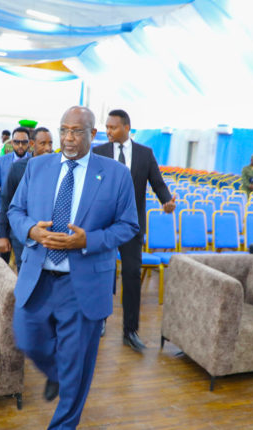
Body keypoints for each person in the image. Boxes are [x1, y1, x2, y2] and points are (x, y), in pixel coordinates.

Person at [9, 106, 138, 430]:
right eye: (64, 130)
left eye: (77, 131)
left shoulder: (115, 174)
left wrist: (87, 241)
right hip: (38, 277)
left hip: (83, 285)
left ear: (93, 135)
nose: (68, 138)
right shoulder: (36, 167)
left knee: (78, 366)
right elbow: (14, 210)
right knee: (27, 338)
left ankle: (63, 424)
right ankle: (54, 373)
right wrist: (30, 230)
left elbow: (128, 226)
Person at [93, 109, 175, 351]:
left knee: (131, 275)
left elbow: (158, 182)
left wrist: (166, 201)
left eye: (113, 127)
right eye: (106, 127)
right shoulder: (99, 152)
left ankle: (130, 330)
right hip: (104, 225)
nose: (108, 131)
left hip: (131, 225)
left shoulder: (144, 153)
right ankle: (100, 320)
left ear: (127, 127)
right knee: (104, 273)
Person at [0, 127, 53, 271]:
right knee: (26, 274)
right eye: (43, 143)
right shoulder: (17, 168)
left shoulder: (58, 167)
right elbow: (6, 202)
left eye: (51, 143)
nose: (48, 148)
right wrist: (2, 235)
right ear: (32, 144)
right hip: (21, 234)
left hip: (48, 234)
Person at [0, 127, 32, 263]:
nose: (20, 146)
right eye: (17, 142)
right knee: (4, 257)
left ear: (29, 143)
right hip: (5, 213)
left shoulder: (33, 162)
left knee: (23, 259)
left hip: (24, 217)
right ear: (12, 143)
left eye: (24, 142)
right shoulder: (2, 161)